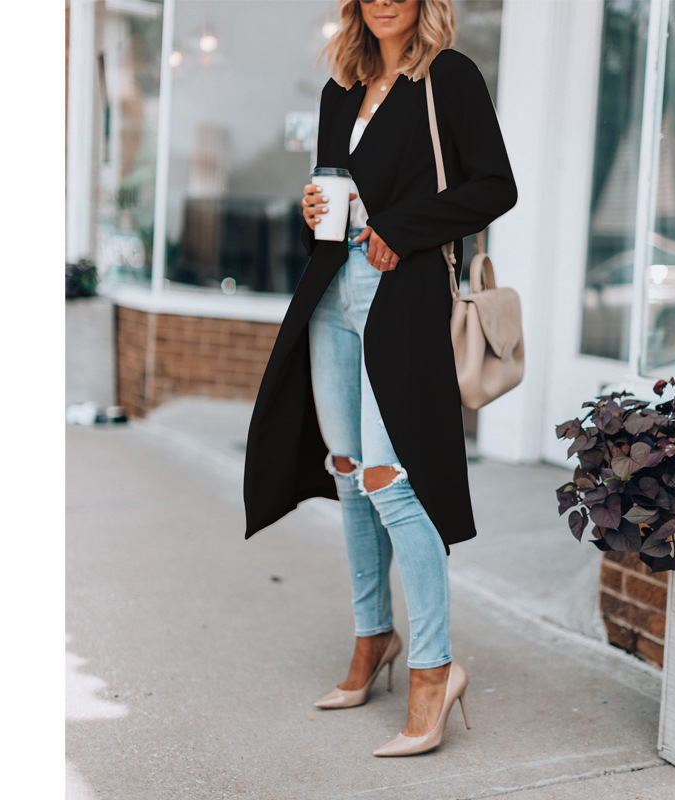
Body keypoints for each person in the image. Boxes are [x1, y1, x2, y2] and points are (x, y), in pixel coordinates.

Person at [243, 0, 517, 757]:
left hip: (402, 297)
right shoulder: (341, 88)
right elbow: (338, 192)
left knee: (391, 481)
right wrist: (312, 209)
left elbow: (495, 186)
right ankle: (374, 637)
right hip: (332, 293)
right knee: (348, 473)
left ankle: (434, 667)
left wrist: (402, 228)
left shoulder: (448, 78)